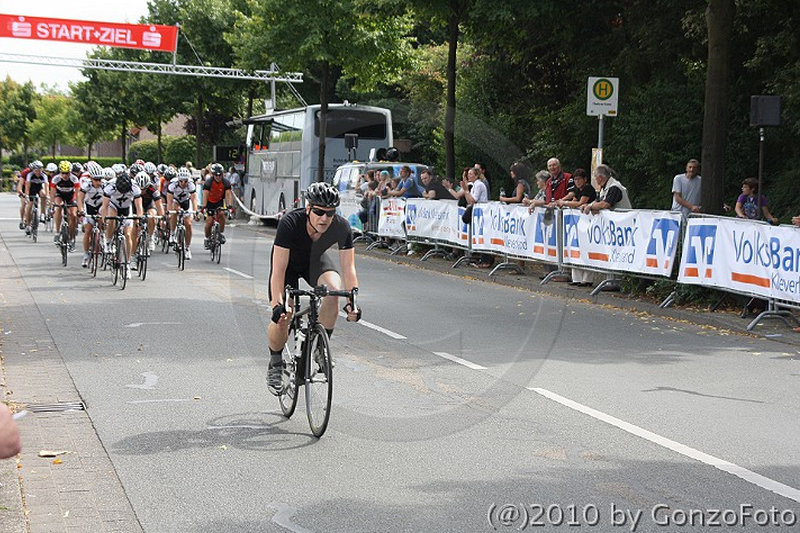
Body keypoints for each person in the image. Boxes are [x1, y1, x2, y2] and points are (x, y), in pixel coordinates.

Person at [266, 183, 361, 394]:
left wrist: (352, 302)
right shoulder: (290, 222)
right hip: (288, 266)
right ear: (308, 208)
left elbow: (349, 268)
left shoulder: (341, 226)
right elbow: (278, 270)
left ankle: (320, 347)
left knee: (333, 291)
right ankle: (275, 361)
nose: (324, 218)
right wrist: (277, 304)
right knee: (284, 315)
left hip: (315, 263)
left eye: (330, 213)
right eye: (318, 212)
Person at [556, 168, 596, 286]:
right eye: (575, 179)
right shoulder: (577, 190)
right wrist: (565, 201)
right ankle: (577, 278)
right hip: (578, 223)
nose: (577, 182)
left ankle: (587, 279)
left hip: (588, 221)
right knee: (575, 249)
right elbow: (573, 199)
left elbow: (580, 203)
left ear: (585, 179)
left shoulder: (587, 188)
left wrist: (566, 203)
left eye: (579, 179)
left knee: (586, 248)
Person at [101, 170, 143, 279]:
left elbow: (139, 207)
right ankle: (109, 241)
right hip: (113, 206)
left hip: (126, 208)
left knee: (128, 235)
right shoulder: (110, 186)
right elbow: (104, 206)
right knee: (111, 220)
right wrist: (103, 220)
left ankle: (127, 264)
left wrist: (139, 219)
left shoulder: (135, 187)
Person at [78, 163, 106, 267]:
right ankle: (86, 255)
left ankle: (103, 238)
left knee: (102, 223)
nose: (99, 182)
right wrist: (80, 210)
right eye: (96, 180)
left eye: (100, 179)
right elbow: (80, 198)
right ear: (91, 178)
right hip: (89, 207)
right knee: (88, 230)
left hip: (100, 207)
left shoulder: (105, 185)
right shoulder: (86, 185)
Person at [167, 167, 199, 260]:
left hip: (186, 202)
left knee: (188, 224)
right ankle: (172, 234)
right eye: (181, 181)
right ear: (178, 180)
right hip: (175, 201)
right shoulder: (173, 184)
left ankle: (187, 248)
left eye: (185, 181)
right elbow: (169, 200)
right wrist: (168, 211)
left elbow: (194, 199)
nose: (183, 183)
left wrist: (196, 211)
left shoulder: (191, 184)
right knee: (174, 210)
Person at [201, 163, 233, 249]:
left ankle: (221, 233)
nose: (218, 177)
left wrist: (229, 207)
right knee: (209, 222)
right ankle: (207, 238)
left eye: (220, 175)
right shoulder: (208, 183)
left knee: (221, 214)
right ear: (212, 174)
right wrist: (204, 208)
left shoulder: (226, 183)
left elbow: (228, 195)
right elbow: (205, 196)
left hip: (219, 201)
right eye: (216, 175)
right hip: (209, 202)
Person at [50, 160, 80, 248]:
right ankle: (57, 232)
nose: (65, 175)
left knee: (73, 215)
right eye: (63, 173)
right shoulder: (56, 179)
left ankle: (72, 238)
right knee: (58, 207)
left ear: (70, 172)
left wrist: (78, 206)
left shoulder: (74, 179)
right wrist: (52, 205)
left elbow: (78, 194)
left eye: (67, 173)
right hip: (59, 195)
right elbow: (52, 193)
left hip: (71, 196)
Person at [23, 161, 48, 235]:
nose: (38, 172)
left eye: (40, 170)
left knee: (43, 194)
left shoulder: (44, 175)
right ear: (33, 170)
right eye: (36, 170)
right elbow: (27, 186)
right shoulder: (30, 175)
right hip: (31, 189)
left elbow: (47, 186)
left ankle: (42, 214)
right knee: (30, 205)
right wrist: (27, 196)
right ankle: (27, 225)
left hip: (39, 188)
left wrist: (48, 196)